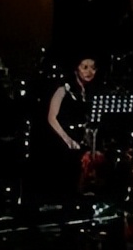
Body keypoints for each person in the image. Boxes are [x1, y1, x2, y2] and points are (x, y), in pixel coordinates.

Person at [45, 56, 99, 200]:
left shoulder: (88, 92)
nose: (89, 72)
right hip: (63, 140)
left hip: (80, 140)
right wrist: (67, 139)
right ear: (76, 69)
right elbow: (51, 117)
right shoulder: (63, 89)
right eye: (85, 67)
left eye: (93, 68)